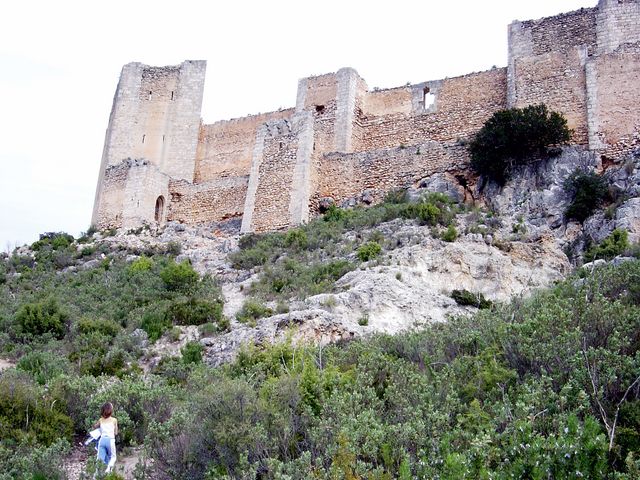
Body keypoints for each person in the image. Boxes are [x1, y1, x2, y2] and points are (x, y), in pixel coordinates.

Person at [93, 402, 118, 473]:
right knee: (113, 457)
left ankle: (96, 475)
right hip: (110, 440)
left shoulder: (101, 420)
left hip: (102, 440)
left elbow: (95, 426)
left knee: (100, 459)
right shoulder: (114, 420)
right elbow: (115, 433)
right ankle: (108, 471)